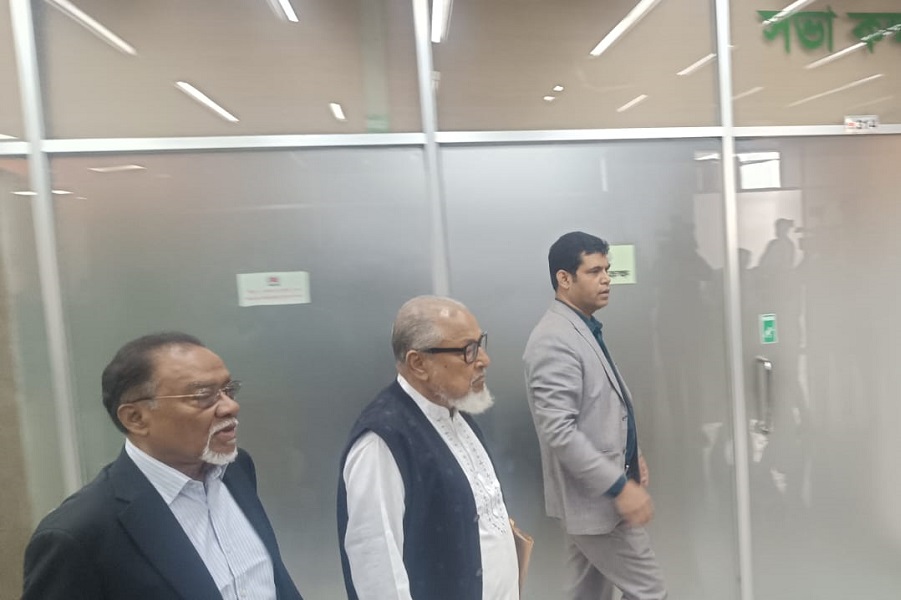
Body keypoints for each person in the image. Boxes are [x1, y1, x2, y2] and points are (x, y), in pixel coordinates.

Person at [22, 332, 304, 600]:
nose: (230, 407)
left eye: (229, 390)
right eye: (203, 396)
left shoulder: (236, 468)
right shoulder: (78, 534)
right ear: (136, 418)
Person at [337, 296, 519, 600]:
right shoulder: (383, 440)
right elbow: (376, 568)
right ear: (418, 364)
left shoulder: (456, 409)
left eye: (480, 343)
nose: (484, 360)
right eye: (468, 350)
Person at [523, 232, 666, 600]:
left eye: (607, 270)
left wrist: (632, 456)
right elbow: (560, 431)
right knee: (650, 592)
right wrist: (619, 485)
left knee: (588, 594)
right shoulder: (554, 340)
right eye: (594, 271)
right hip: (599, 502)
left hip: (594, 502)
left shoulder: (581, 327)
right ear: (564, 278)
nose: (606, 279)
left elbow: (602, 407)